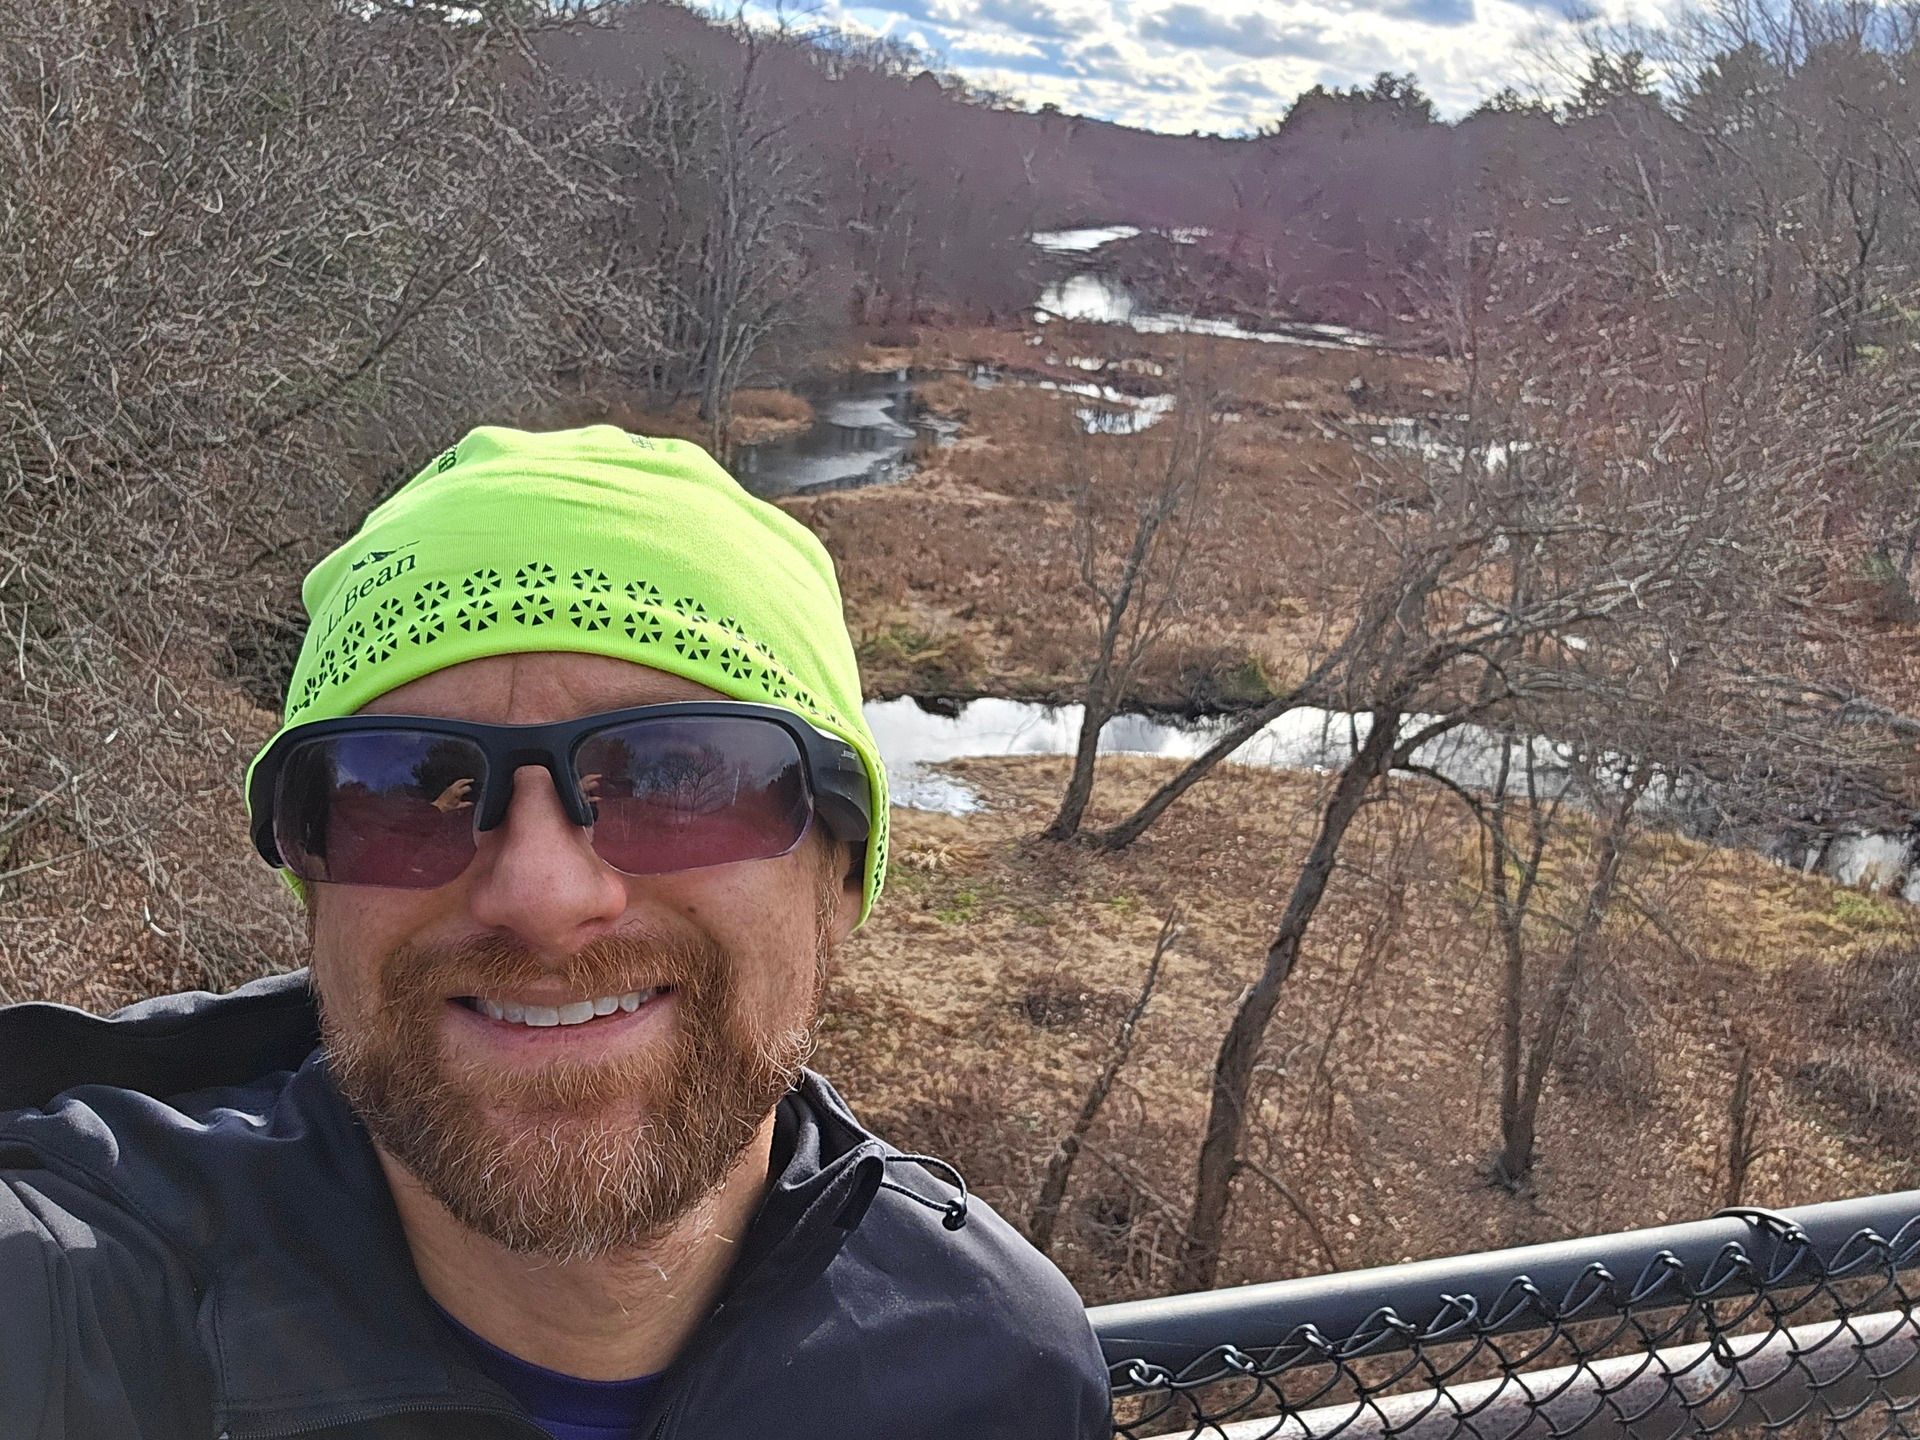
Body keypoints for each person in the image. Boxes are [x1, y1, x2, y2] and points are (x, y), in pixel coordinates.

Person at [0, 426, 1113, 1439]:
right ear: (314, 887)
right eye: (406, 788)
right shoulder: (70, 1303)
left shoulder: (997, 1373)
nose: (539, 894)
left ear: (841, 873)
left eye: (677, 774)